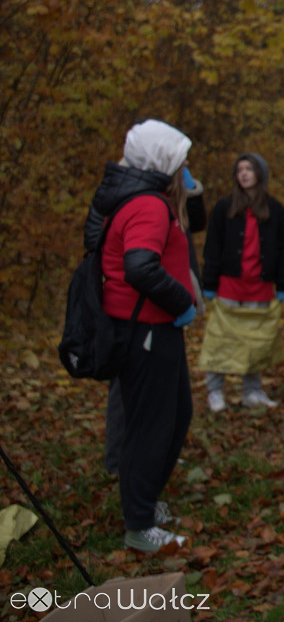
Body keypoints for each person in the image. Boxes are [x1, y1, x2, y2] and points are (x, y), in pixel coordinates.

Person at [90, 119, 195, 551]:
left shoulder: (141, 198)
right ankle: (138, 524)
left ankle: (145, 501)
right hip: (147, 329)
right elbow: (139, 266)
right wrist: (181, 302)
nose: (186, 167)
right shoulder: (148, 204)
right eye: (181, 159)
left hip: (154, 329)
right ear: (163, 160)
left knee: (176, 415)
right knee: (150, 426)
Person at [101, 163, 207, 477]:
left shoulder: (167, 194)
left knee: (170, 401)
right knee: (130, 395)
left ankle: (152, 461)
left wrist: (191, 189)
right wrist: (178, 301)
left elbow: (196, 222)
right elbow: (137, 265)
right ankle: (121, 462)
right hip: (139, 314)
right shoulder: (137, 198)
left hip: (164, 310)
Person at [201, 153, 284, 411]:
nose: (244, 174)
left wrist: (283, 284)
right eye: (240, 170)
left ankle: (252, 390)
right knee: (222, 339)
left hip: (260, 287)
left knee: (255, 341)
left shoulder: (275, 210)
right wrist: (209, 281)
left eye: (249, 169)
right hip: (229, 285)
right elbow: (213, 246)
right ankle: (215, 391)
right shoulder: (224, 207)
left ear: (259, 174)